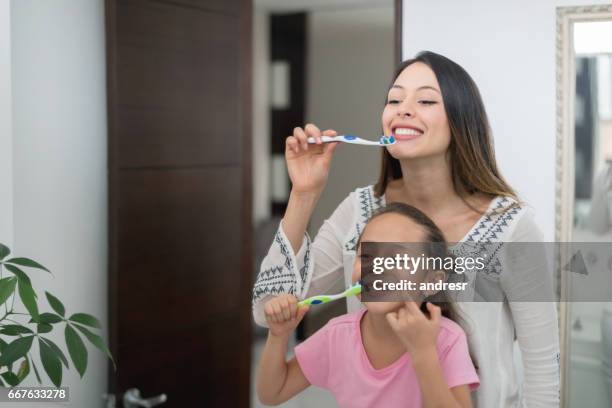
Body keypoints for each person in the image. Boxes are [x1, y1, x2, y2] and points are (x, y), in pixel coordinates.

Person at [252, 51, 560, 406]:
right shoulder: (358, 211)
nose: (403, 109)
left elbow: (543, 370)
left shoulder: (511, 228)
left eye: (426, 100)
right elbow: (266, 310)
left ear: (462, 121)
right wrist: (303, 195)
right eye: (394, 99)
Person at [256, 203, 479, 407]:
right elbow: (272, 393)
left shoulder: (447, 340)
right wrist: (278, 336)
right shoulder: (337, 336)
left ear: (432, 281)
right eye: (367, 257)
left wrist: (423, 353)